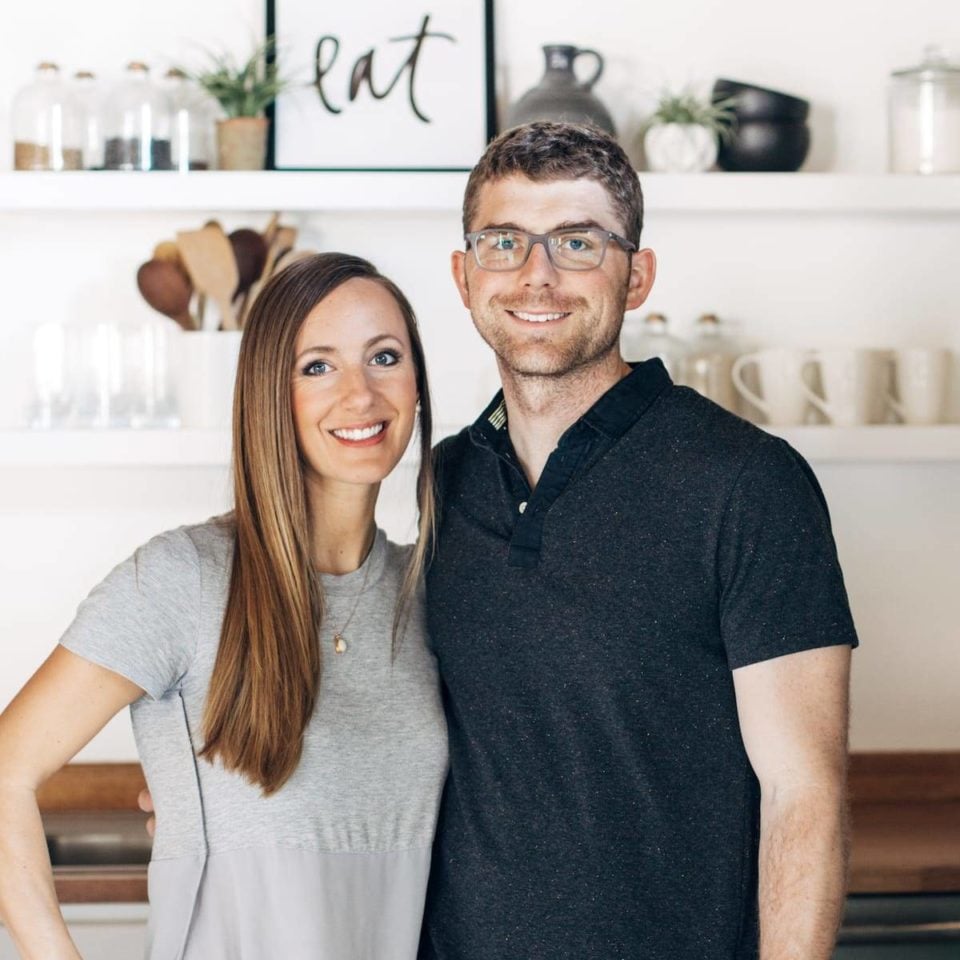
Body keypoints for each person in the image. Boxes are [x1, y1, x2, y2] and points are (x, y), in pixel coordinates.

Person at [417, 121, 858, 960]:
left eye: (578, 242)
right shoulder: (442, 482)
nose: (536, 274)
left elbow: (805, 794)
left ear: (638, 275)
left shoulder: (748, 483)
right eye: (504, 241)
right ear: (464, 274)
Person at [0, 253, 448, 960]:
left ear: (417, 383)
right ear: (270, 392)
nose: (361, 395)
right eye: (318, 366)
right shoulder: (185, 579)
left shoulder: (427, 594)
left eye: (384, 357)